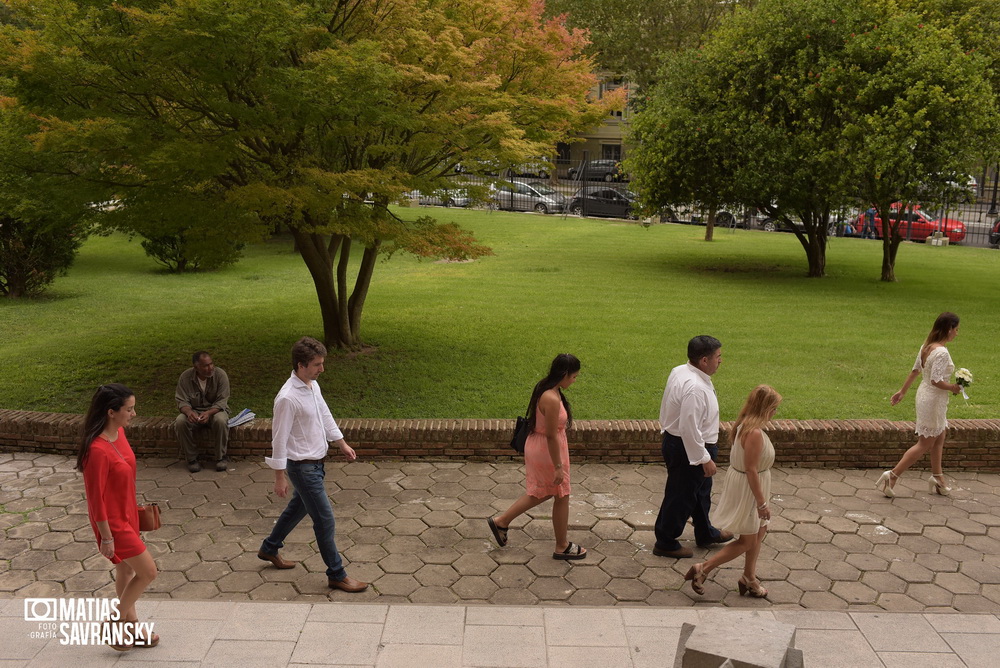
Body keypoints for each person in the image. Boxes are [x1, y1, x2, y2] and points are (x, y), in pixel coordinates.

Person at [257, 336, 368, 593]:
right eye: (317, 364)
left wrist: (341, 443)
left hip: (317, 464)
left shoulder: (311, 385)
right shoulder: (287, 398)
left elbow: (325, 414)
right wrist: (279, 477)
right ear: (301, 364)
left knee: (299, 507)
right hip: (302, 468)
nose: (322, 369)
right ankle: (337, 574)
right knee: (325, 520)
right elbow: (279, 438)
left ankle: (269, 548)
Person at [77, 384, 159, 651]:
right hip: (112, 523)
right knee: (148, 572)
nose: (133, 413)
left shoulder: (120, 434)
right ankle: (114, 621)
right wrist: (107, 537)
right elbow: (95, 499)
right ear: (111, 412)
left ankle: (133, 628)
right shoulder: (97, 451)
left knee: (126, 569)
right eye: (129, 409)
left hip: (128, 514)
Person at [684, 385, 780, 598]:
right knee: (747, 540)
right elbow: (752, 470)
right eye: (774, 408)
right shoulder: (754, 433)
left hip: (746, 483)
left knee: (759, 531)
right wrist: (761, 503)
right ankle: (704, 568)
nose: (775, 413)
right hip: (750, 487)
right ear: (765, 408)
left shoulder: (743, 425)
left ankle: (749, 577)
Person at [488, 354, 586, 560]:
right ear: (565, 374)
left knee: (550, 493)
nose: (575, 381)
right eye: (574, 377)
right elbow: (550, 435)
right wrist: (558, 466)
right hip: (547, 450)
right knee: (555, 493)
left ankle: (502, 522)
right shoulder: (550, 397)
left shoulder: (550, 388)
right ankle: (561, 545)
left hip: (547, 447)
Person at [652, 336, 734, 558]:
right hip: (688, 448)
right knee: (681, 496)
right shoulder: (695, 388)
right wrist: (703, 458)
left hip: (680, 443)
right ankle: (665, 541)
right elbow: (689, 428)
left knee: (700, 493)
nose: (721, 361)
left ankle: (705, 532)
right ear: (704, 360)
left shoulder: (681, 371)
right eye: (718, 357)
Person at [878, 312, 963, 497]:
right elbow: (936, 380)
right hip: (933, 398)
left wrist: (902, 391)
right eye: (956, 330)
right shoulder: (941, 351)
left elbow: (916, 371)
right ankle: (892, 475)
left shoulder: (926, 346)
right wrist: (954, 387)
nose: (957, 333)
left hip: (926, 396)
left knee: (940, 436)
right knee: (925, 443)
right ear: (949, 329)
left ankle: (938, 478)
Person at [173, 351, 230, 472]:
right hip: (194, 411)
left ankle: (221, 457)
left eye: (211, 364)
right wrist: (189, 413)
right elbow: (181, 401)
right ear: (196, 367)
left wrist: (209, 413)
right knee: (180, 421)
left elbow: (222, 401)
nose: (210, 368)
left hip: (215, 411)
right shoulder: (185, 377)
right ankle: (192, 459)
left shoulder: (220, 375)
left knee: (221, 420)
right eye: (205, 366)